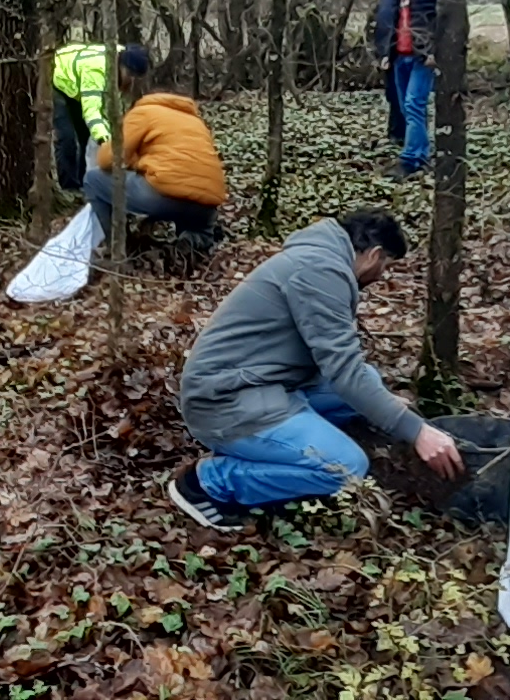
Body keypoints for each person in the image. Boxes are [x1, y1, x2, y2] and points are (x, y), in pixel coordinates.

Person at [168, 210, 464, 531]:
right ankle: (207, 482)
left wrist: (383, 403)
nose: (382, 274)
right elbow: (344, 370)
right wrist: (416, 430)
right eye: (386, 265)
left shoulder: (319, 259)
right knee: (347, 468)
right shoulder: (319, 271)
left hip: (259, 385)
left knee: (370, 382)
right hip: (224, 402)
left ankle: (281, 453)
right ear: (375, 255)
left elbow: (341, 368)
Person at [87, 89, 227, 249]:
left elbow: (107, 158)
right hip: (208, 201)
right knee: (200, 230)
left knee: (94, 180)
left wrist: (135, 162)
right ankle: (190, 244)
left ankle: (118, 247)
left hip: (166, 196)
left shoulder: (143, 112)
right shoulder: (195, 121)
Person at [372, 0, 441, 178]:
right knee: (406, 107)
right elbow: (390, 16)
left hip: (422, 55)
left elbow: (441, 18)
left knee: (414, 104)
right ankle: (418, 151)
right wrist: (385, 51)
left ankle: (412, 159)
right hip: (400, 53)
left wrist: (434, 51)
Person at [52, 42, 148, 192]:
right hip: (60, 80)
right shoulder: (96, 70)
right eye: (130, 75)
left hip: (79, 84)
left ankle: (83, 183)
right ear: (123, 68)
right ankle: (69, 189)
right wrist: (106, 141)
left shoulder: (123, 55)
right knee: (67, 138)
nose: (131, 81)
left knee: (84, 137)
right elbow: (92, 112)